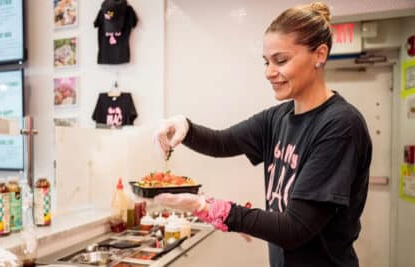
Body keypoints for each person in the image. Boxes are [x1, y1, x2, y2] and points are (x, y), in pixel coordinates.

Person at [153, 2, 372, 267]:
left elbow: (295, 228)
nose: (269, 72)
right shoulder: (277, 118)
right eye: (266, 62)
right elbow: (223, 142)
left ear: (320, 54)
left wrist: (208, 207)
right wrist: (185, 128)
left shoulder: (340, 125)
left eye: (281, 60)